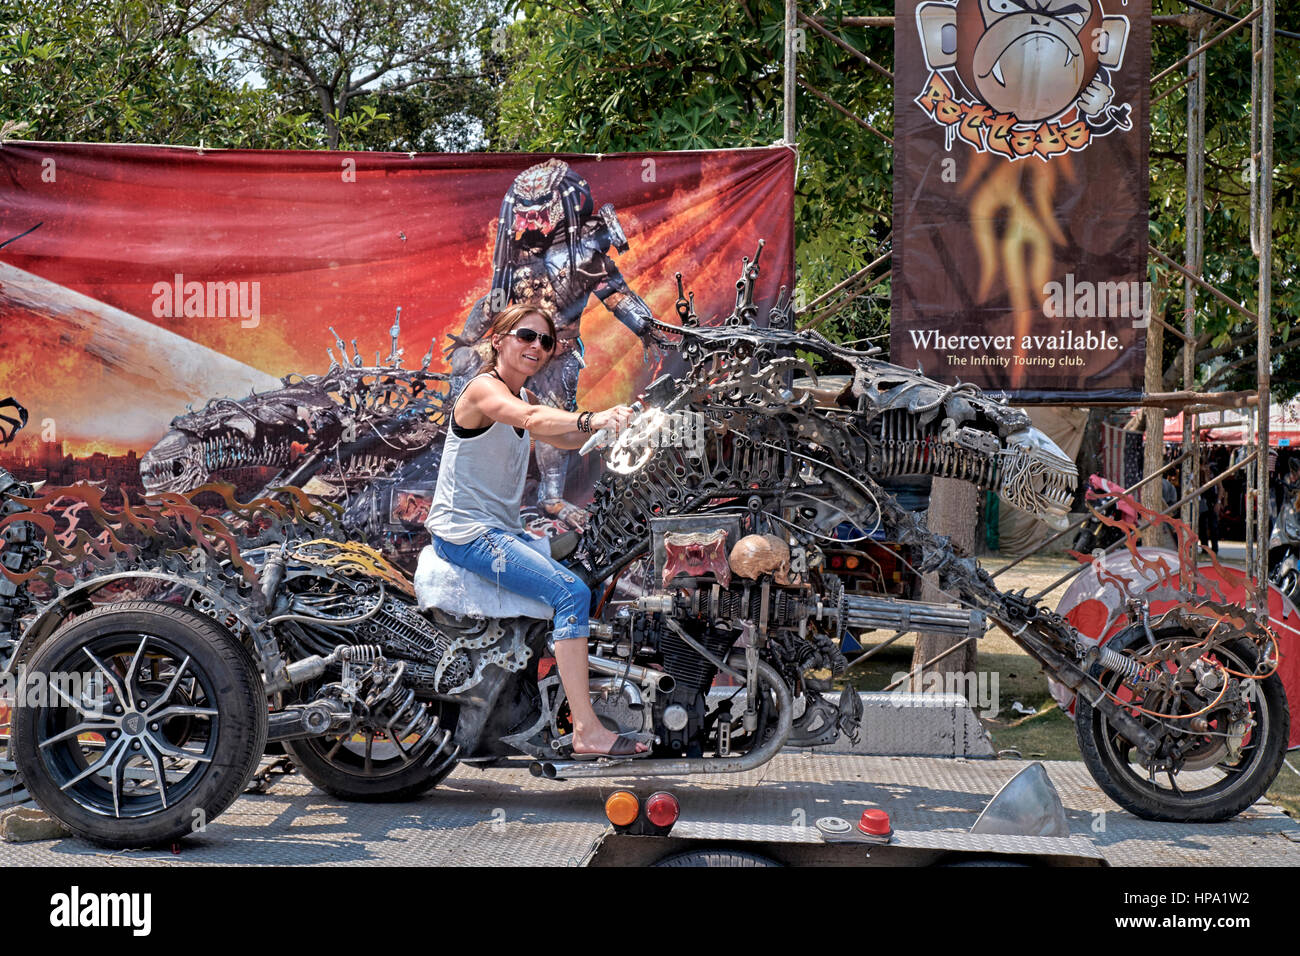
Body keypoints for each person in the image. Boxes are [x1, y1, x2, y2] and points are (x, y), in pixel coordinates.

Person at [425, 302, 646, 758]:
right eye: (526, 336)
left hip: (499, 529)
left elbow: (561, 436)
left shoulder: (523, 397)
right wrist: (594, 419)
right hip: (467, 533)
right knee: (570, 594)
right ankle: (586, 729)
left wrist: (616, 429)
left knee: (591, 561)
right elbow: (533, 422)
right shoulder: (484, 391)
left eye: (546, 341)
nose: (537, 347)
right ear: (499, 340)